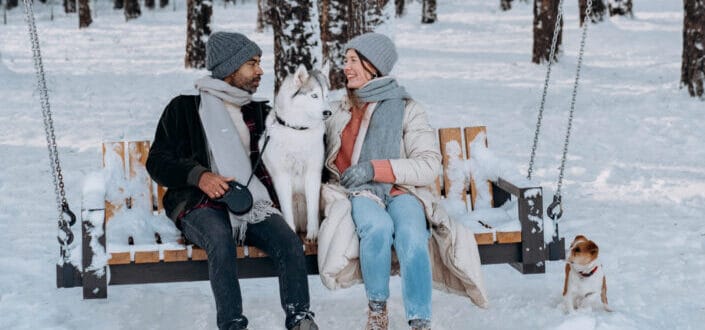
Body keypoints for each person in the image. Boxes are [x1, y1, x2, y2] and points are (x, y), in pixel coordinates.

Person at [146, 31, 318, 330]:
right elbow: (158, 161)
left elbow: (296, 143)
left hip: (252, 202)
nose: (260, 71)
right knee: (220, 239)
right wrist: (199, 176)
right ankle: (232, 324)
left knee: (289, 241)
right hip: (200, 203)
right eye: (252, 63)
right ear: (229, 68)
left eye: (259, 63)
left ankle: (300, 318)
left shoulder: (260, 112)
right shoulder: (184, 108)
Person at [322, 32, 438, 330]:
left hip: (402, 191)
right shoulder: (338, 110)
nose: (345, 67)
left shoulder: (408, 109)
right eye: (344, 61)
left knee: (413, 235)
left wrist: (376, 168)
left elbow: (428, 165)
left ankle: (420, 320)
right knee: (377, 227)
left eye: (353, 61)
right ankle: (377, 309)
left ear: (373, 65)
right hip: (358, 193)